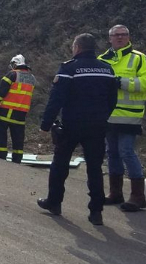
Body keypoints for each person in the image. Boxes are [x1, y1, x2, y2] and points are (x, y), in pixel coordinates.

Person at [37, 33, 117, 225]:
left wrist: (46, 124)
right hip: (97, 126)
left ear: (77, 48)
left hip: (72, 125)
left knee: (60, 164)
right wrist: (102, 117)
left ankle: (54, 203)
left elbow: (57, 99)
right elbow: (112, 100)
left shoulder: (69, 68)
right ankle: (96, 212)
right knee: (95, 168)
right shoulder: (107, 69)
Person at [98, 24, 146, 212]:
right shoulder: (102, 59)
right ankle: (115, 192)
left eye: (123, 35)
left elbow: (144, 83)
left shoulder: (139, 59)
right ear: (109, 38)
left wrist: (121, 82)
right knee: (112, 152)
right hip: (108, 116)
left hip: (129, 115)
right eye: (116, 35)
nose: (120, 38)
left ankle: (138, 196)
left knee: (126, 151)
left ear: (128, 37)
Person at [0, 54, 36, 163]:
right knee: (18, 137)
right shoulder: (32, 78)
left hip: (7, 110)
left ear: (15, 64)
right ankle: (17, 159)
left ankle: (0, 156)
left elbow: (1, 92)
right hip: (22, 113)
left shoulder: (12, 75)